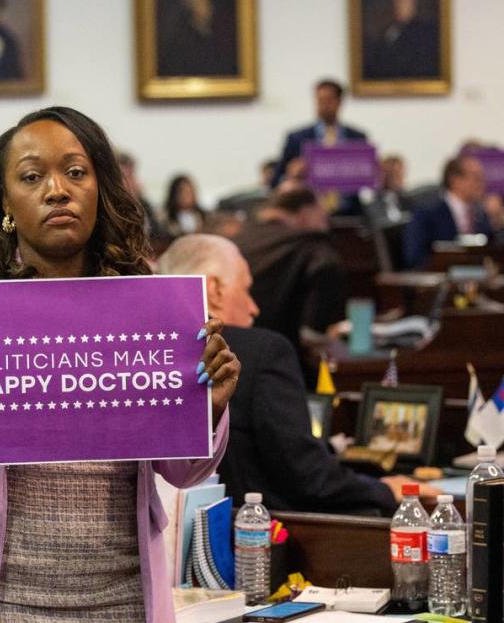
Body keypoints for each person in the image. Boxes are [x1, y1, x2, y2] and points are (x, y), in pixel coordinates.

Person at [0, 106, 238, 622]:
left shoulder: (148, 300)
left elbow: (185, 474)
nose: (57, 190)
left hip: (120, 600)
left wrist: (207, 409)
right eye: (31, 176)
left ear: (100, 189)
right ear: (6, 201)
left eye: (75, 172)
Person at [157, 234, 420, 515]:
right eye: (246, 290)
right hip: (261, 539)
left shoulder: (149, 358)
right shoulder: (264, 351)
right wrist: (386, 491)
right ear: (215, 290)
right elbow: (309, 477)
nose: (253, 307)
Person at [232, 187, 345, 371]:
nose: (327, 225)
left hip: (224, 355)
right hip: (282, 364)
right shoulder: (313, 247)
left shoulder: (238, 239)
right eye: (323, 217)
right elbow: (311, 335)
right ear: (305, 213)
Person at [272, 79, 368, 215]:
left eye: (328, 101)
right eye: (319, 101)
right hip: (308, 213)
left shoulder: (356, 138)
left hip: (349, 213)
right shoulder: (298, 138)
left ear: (339, 102)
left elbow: (368, 180)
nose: (322, 106)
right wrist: (292, 174)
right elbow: (276, 182)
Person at [403, 155, 494, 270]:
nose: (482, 184)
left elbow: (492, 250)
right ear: (455, 179)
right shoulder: (427, 213)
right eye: (476, 178)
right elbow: (415, 258)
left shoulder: (480, 214)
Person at [157, 0, 237, 77]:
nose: (210, 7)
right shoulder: (181, 41)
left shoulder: (214, 34)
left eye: (208, 1)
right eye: (203, 2)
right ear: (191, 7)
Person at [364, 0, 440, 80]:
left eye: (403, 0)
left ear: (413, 3)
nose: (398, 5)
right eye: (395, 0)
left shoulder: (424, 33)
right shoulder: (386, 31)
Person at [118, 151, 166, 243]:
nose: (130, 182)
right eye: (125, 177)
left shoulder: (144, 205)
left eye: (131, 176)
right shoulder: (109, 208)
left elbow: (156, 234)